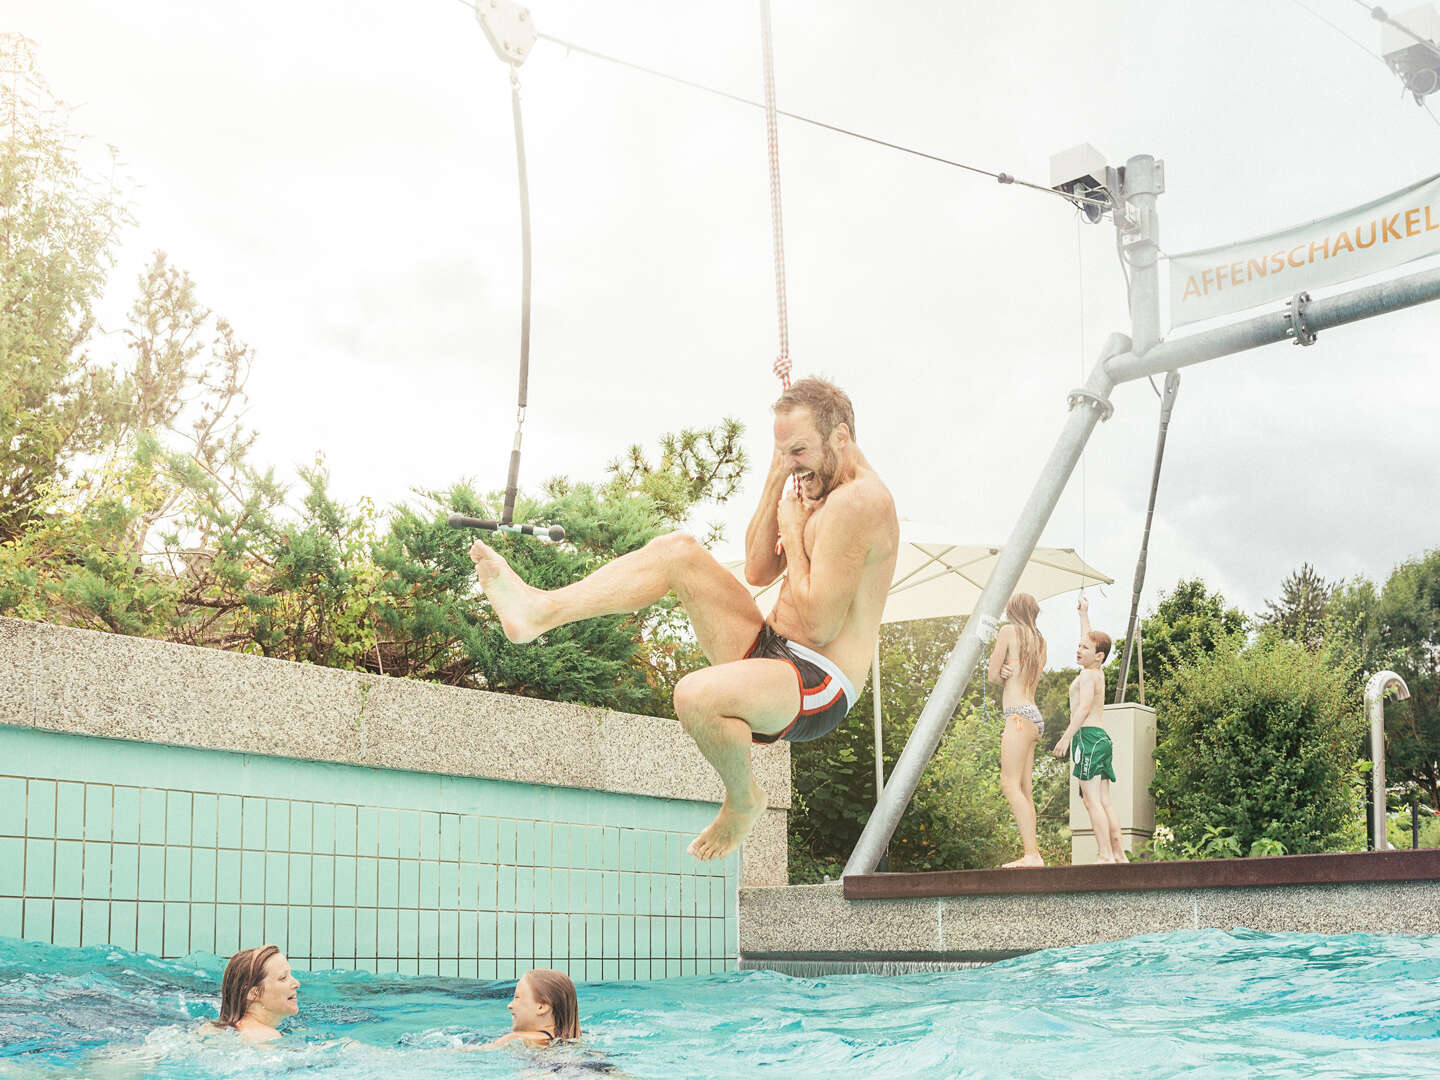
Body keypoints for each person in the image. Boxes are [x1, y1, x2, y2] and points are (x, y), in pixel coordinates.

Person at [470, 377, 899, 860]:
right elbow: (759, 570)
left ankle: (744, 799)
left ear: (840, 436)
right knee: (677, 551)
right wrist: (777, 479)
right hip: (771, 647)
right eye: (783, 452)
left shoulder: (859, 502)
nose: (792, 464)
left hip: (819, 681)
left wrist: (796, 532)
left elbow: (820, 625)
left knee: (695, 696)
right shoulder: (813, 481)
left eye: (798, 451)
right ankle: (538, 612)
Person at [1052, 596, 1127, 863]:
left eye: (1084, 648)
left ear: (1099, 656)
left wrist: (1066, 738)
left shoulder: (1086, 675)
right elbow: (1090, 640)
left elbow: (1082, 709)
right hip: (1102, 738)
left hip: (1087, 738)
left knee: (1091, 801)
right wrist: (1084, 615)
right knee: (1103, 801)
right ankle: (1118, 854)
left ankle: (1105, 854)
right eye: (1078, 646)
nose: (1079, 649)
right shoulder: (1097, 672)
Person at [988, 592, 1048, 867]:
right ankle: (1033, 853)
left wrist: (1001, 672)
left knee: (1009, 784)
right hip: (1033, 716)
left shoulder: (1008, 632)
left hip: (1016, 716)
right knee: (1025, 789)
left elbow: (991, 675)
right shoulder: (1040, 641)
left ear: (1012, 610)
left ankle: (1031, 854)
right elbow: (1031, 684)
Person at [201, 945, 300, 1043]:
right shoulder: (267, 1036)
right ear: (253, 993)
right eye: (283, 978)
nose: (296, 983)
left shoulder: (210, 1029)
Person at [476, 969, 580, 1050]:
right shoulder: (573, 1041)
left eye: (517, 997)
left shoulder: (516, 1039)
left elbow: (473, 1052)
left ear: (541, 1007)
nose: (509, 1005)